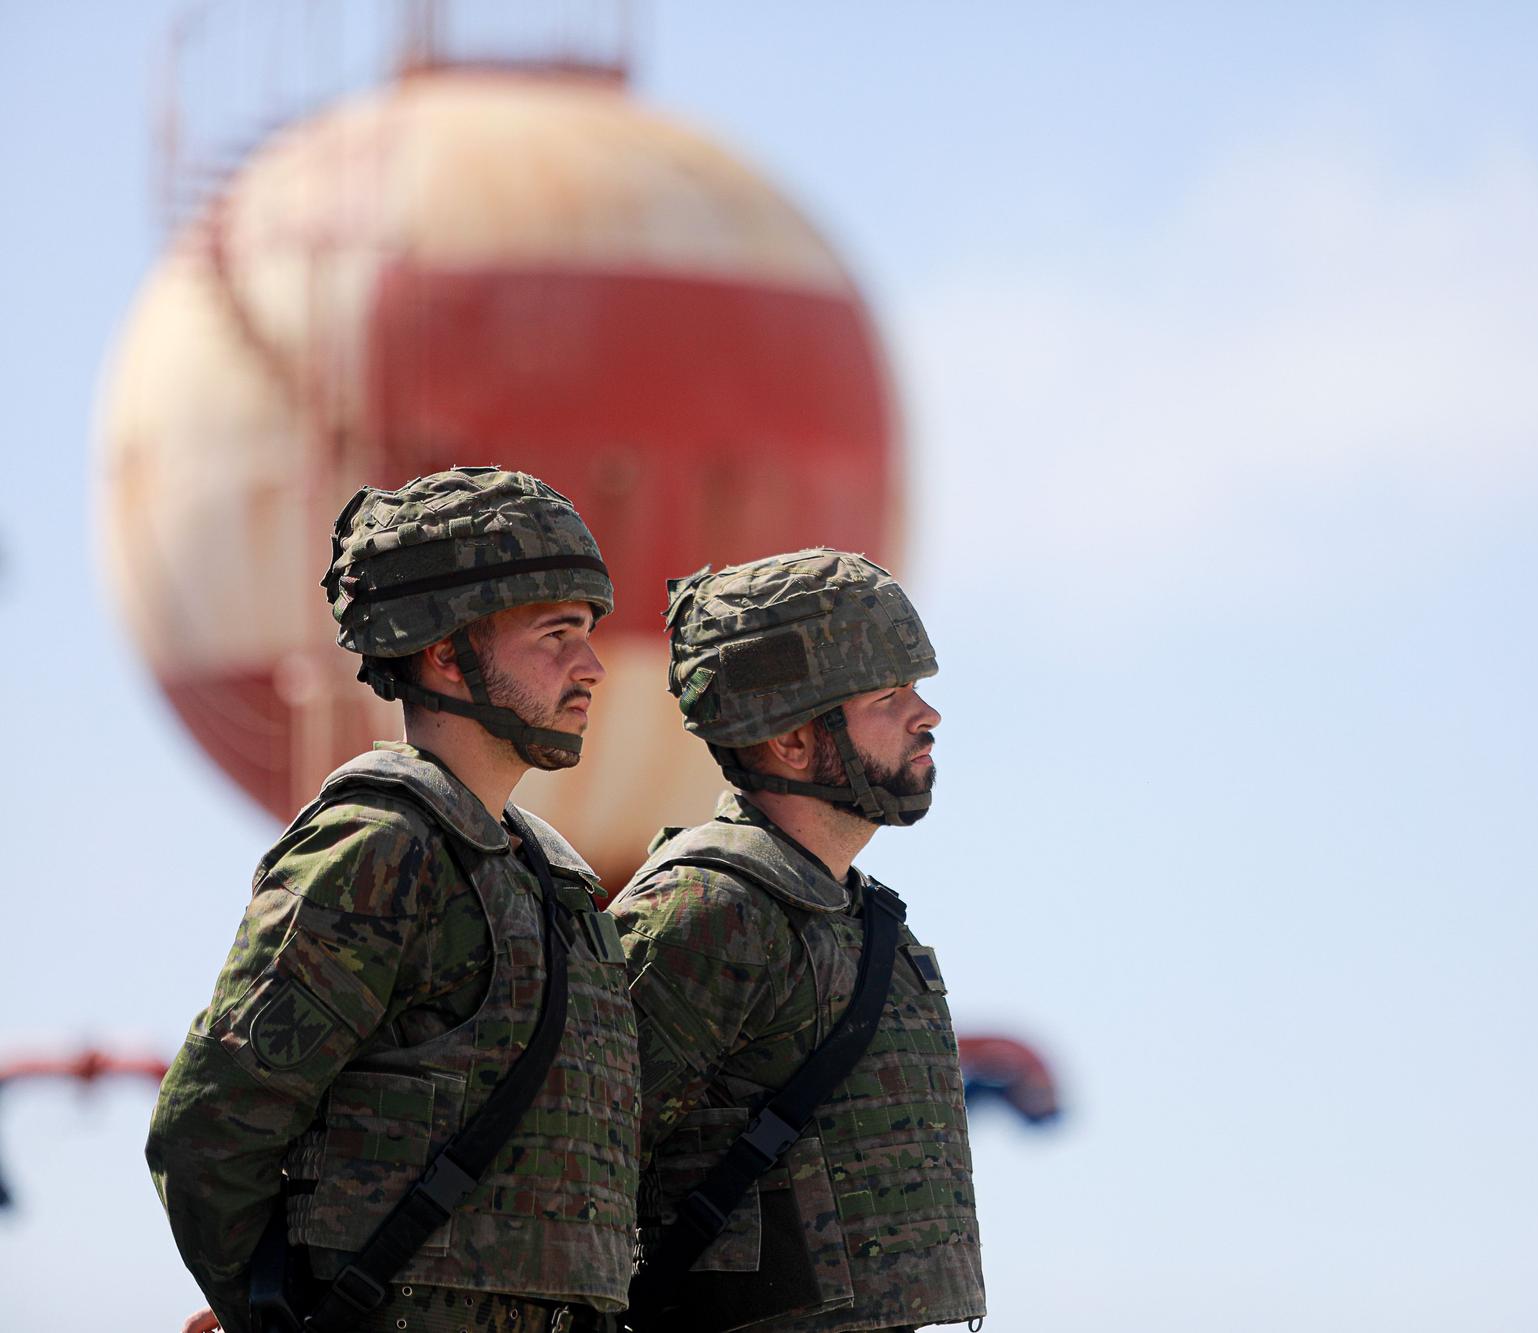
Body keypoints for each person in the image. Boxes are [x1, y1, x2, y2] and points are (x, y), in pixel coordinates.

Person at [147, 468, 641, 1333]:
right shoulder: (380, 850)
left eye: (588, 631)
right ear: (445, 653)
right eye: (555, 633)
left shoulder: (552, 884)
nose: (592, 665)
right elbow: (210, 1131)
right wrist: (276, 1314)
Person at [610, 548, 985, 1333]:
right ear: (790, 741)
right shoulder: (710, 909)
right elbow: (576, 1163)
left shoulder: (861, 916)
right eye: (888, 694)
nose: (928, 715)